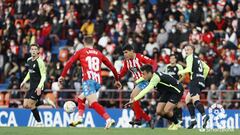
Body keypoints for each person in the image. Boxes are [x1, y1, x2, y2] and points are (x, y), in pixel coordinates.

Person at [58, 36, 121, 129]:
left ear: (84, 43)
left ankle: (108, 119)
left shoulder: (81, 51)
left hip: (88, 81)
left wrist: (62, 75)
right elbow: (112, 67)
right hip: (98, 82)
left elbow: (69, 62)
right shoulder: (99, 53)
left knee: (92, 103)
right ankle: (79, 118)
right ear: (93, 43)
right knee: (81, 98)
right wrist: (117, 80)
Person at [125, 64, 184, 130]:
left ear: (149, 73)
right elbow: (141, 78)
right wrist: (136, 81)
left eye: (144, 74)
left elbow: (146, 90)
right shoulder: (149, 76)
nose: (143, 76)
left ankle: (177, 123)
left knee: (167, 110)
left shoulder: (155, 78)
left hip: (176, 90)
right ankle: (175, 121)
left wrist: (134, 99)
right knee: (159, 111)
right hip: (167, 91)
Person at [115, 45, 157, 128]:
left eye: (126, 52)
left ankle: (138, 119)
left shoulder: (140, 57)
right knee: (132, 104)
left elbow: (153, 63)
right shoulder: (127, 62)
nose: (125, 55)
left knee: (133, 96)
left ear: (132, 51)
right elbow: (123, 72)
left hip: (146, 80)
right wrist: (116, 78)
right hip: (138, 83)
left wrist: (151, 75)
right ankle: (148, 119)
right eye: (124, 53)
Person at [20, 43, 55, 126]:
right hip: (32, 86)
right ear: (30, 50)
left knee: (31, 105)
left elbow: (43, 76)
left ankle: (39, 123)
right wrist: (24, 81)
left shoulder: (40, 62)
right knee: (25, 105)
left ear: (38, 51)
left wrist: (39, 87)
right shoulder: (29, 60)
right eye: (32, 49)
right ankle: (45, 101)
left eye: (35, 49)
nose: (33, 51)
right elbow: (30, 72)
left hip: (39, 86)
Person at [178, 45, 210, 129]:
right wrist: (203, 77)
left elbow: (188, 69)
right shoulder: (198, 59)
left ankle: (204, 116)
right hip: (200, 81)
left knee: (195, 99)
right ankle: (193, 121)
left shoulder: (189, 57)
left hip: (195, 80)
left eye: (188, 49)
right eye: (185, 50)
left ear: (192, 50)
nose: (186, 51)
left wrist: (180, 71)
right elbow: (207, 68)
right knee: (187, 99)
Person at [164, 54, 185, 124]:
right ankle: (173, 122)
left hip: (177, 88)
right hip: (168, 89)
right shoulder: (167, 67)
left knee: (176, 103)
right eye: (171, 58)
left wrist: (178, 82)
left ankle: (179, 118)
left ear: (176, 59)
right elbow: (165, 76)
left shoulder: (179, 66)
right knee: (170, 105)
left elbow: (183, 76)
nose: (172, 60)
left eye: (173, 58)